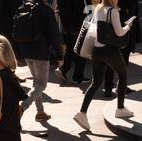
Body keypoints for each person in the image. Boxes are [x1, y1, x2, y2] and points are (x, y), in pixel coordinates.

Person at [73, 0, 134, 131]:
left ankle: (81, 113)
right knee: (122, 75)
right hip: (109, 50)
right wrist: (129, 25)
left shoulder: (98, 9)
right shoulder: (114, 11)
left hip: (97, 50)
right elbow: (119, 33)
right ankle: (120, 108)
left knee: (95, 82)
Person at [19, 0, 63, 123]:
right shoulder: (46, 10)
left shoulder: (25, 6)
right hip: (41, 52)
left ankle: (40, 112)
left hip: (26, 50)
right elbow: (54, 34)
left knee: (36, 82)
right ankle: (22, 107)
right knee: (41, 84)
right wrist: (59, 55)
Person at [103, 0, 141, 97]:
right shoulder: (118, 7)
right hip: (122, 34)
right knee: (121, 63)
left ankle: (112, 87)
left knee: (115, 62)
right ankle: (119, 88)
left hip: (115, 34)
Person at [55, 0, 91, 84]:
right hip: (78, 25)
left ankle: (63, 70)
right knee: (81, 50)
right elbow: (86, 8)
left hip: (66, 25)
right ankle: (77, 76)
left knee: (70, 49)